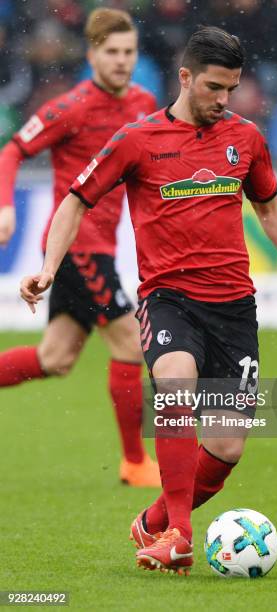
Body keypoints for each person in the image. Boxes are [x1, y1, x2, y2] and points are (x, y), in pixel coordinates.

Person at [20, 26, 277, 574]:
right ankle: (180, 536)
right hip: (169, 298)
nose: (223, 100)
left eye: (231, 90)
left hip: (235, 306)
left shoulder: (246, 137)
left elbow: (270, 208)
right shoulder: (137, 139)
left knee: (227, 447)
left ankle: (153, 520)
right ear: (185, 77)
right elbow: (76, 201)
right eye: (214, 87)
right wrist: (50, 267)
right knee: (173, 382)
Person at [0, 8, 160, 487]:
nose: (121, 61)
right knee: (132, 341)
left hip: (103, 248)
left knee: (56, 358)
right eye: (111, 52)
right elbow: (12, 151)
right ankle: (134, 463)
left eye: (129, 52)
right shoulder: (71, 106)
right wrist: (6, 206)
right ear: (91, 54)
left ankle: (134, 462)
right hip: (76, 246)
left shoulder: (144, 102)